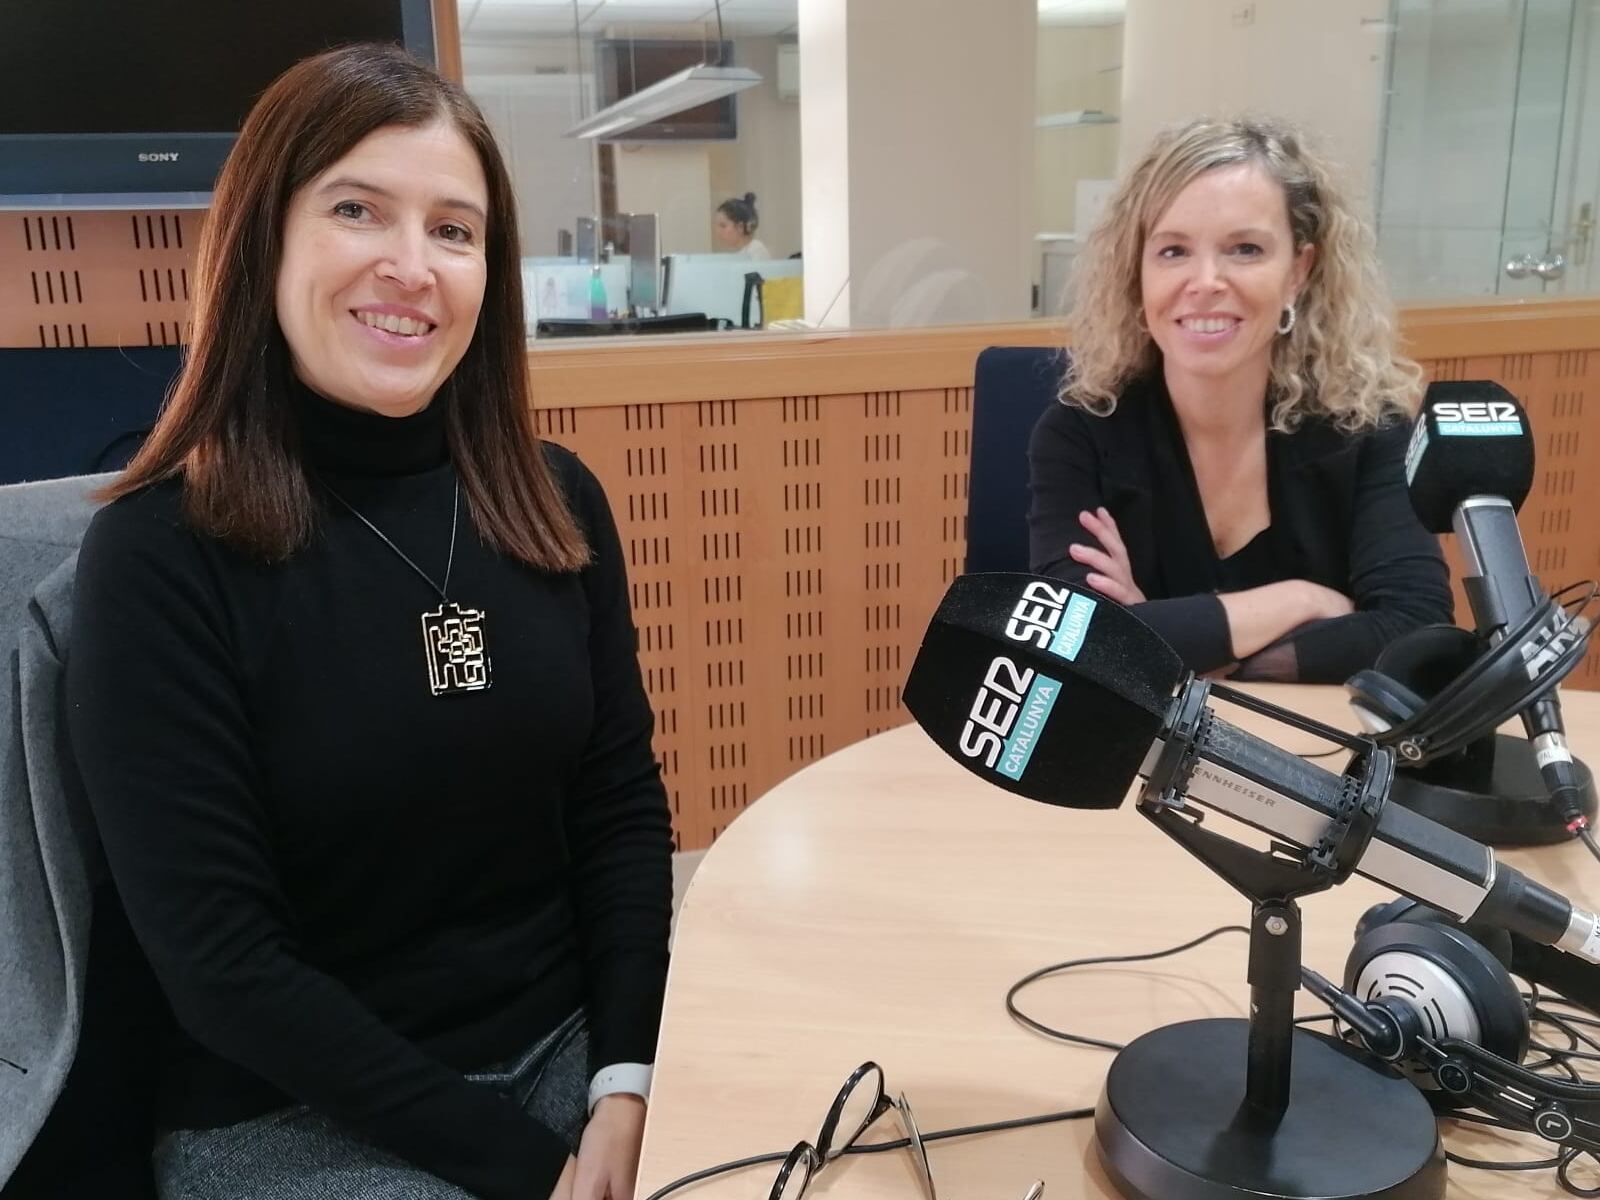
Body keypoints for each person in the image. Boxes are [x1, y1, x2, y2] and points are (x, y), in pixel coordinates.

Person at [65, 44, 672, 1200]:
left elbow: (619, 811)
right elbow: (223, 967)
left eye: (453, 230)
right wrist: (530, 1170)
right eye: (357, 210)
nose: (412, 265)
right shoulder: (159, 554)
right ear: (264, 241)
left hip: (566, 1060)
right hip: (298, 1111)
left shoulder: (555, 500)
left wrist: (628, 1082)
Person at [1027, 116, 1451, 683]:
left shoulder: (1368, 428)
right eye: (1173, 251)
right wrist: (1301, 601)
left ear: (1298, 271)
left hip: (1318, 741)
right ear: (1137, 271)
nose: (1205, 281)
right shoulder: (1081, 432)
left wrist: (1165, 640)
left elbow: (1417, 632)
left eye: (1245, 249)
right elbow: (1071, 643)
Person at [713, 192, 771, 259]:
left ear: (740, 227)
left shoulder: (756, 250)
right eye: (717, 226)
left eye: (723, 226)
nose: (718, 231)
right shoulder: (742, 253)